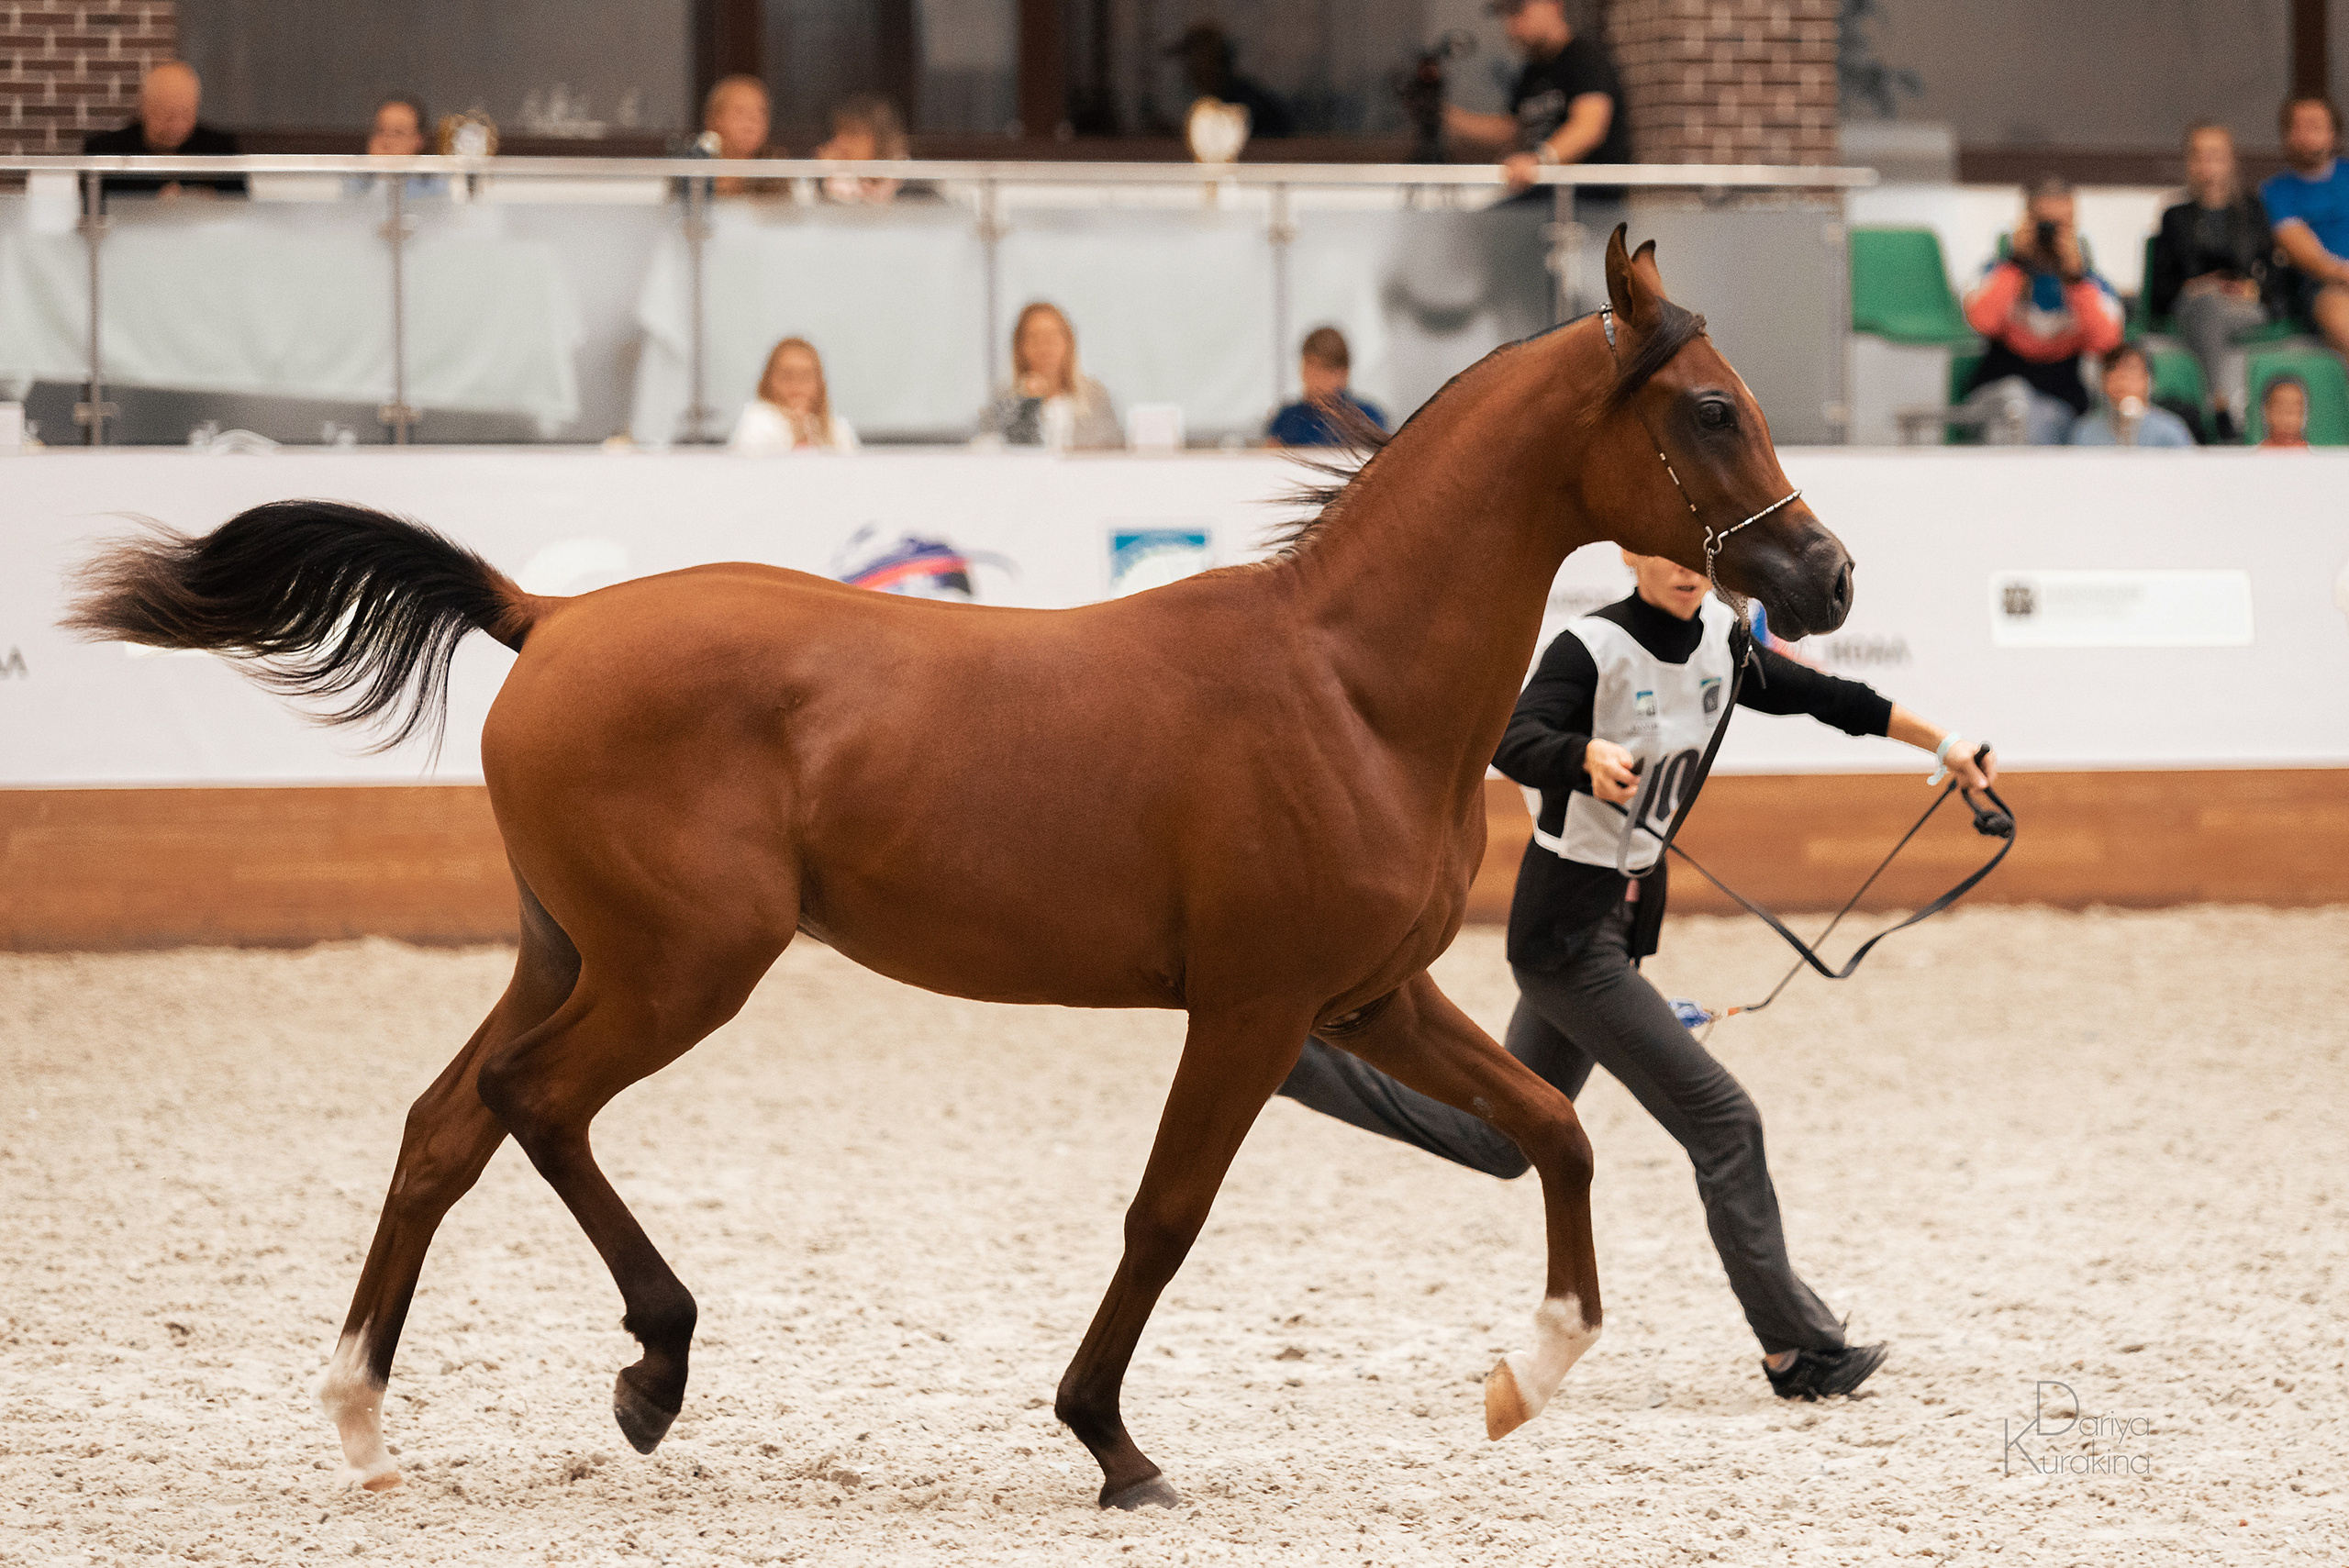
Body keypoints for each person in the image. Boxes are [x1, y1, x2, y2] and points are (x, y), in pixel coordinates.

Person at [1276, 550, 1997, 1402]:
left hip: (1615, 929)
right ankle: (1799, 1348)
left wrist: (1945, 744)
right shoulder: (1592, 646)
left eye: (1701, 560)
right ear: (1630, 554)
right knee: (1725, 1121)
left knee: (1502, 1139)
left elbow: (1826, 698)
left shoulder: (1723, 642)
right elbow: (1512, 736)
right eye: (1669, 556)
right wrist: (1580, 756)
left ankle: (1291, 1060)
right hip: (1566, 941)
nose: (1688, 571)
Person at [1956, 177, 2125, 445]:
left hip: (2061, 401)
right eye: (2044, 224)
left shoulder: (2090, 285)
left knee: (2050, 418)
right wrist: (2017, 262)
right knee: (2017, 401)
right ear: (2026, 222)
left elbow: (2107, 343)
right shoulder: (1996, 273)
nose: (2050, 234)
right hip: (1997, 395)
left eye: (2062, 226)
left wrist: (2075, 281)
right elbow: (1982, 322)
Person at [2148, 122, 2279, 439]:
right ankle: (2223, 409)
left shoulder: (2253, 211)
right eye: (2198, 155)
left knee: (2216, 311)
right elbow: (2159, 293)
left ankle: (2210, 408)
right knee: (2209, 310)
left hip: (2243, 310)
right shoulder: (2175, 217)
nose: (2206, 164)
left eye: (2215, 155)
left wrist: (2252, 289)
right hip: (2193, 307)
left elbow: (2275, 276)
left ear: (2231, 160)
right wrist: (2194, 286)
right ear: (2188, 162)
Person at [1442, 0, 1632, 197]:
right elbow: (1511, 130)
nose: (1511, 26)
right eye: (1505, 15)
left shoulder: (1585, 56)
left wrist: (1538, 161)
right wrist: (1446, 116)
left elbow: (1588, 128)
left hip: (1589, 204)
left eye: (1517, 10)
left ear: (1554, 5)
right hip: (1541, 202)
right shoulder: (1531, 72)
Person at [2260, 95, 2349, 360]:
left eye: (2315, 126)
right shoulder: (2277, 192)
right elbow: (2309, 256)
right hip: (2323, 288)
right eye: (2297, 127)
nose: (2305, 134)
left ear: (2333, 133)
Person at [82, 61, 246, 200]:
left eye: (186, 114)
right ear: (144, 108)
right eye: (168, 116)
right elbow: (97, 211)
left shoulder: (221, 150)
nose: (177, 125)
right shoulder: (105, 152)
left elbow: (239, 209)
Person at [978, 303, 1122, 450]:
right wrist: (1027, 403)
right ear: (1020, 347)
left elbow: (1116, 449)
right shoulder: (1005, 401)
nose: (1044, 347)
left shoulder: (1097, 396)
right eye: (1034, 338)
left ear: (1068, 342)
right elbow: (988, 448)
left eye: (1052, 336)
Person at [1167, 22, 1297, 139]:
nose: (1187, 70)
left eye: (1196, 60)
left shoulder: (1246, 102)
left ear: (1216, 62)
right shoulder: (1216, 100)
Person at [729, 338, 858, 454]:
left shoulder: (837, 430)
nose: (796, 385)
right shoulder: (756, 421)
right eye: (787, 376)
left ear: (819, 382)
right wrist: (798, 431)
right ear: (769, 381)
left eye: (806, 376)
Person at [1266, 327, 1389, 446]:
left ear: (1344, 374)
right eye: (1310, 366)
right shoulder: (1287, 419)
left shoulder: (1367, 418)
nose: (1315, 377)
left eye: (1325, 370)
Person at [2067, 343, 2196, 448]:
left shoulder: (2170, 430)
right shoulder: (2085, 431)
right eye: (2112, 369)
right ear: (2102, 381)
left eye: (2131, 369)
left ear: (2148, 380)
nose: (2122, 377)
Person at [812, 95, 913, 205]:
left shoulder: (912, 183)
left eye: (852, 133)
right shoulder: (832, 176)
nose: (840, 142)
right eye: (838, 132)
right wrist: (825, 173)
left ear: (880, 139)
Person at [700, 74, 787, 199]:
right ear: (715, 119)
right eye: (740, 112)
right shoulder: (695, 173)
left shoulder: (776, 174)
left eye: (761, 112)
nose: (752, 123)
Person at [343, 95, 444, 198]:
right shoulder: (349, 185)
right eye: (380, 130)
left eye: (398, 133)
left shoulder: (438, 189)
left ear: (418, 141)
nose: (386, 142)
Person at [2257, 373, 2311, 448]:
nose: (2287, 420)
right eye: (2280, 410)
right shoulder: (2255, 457)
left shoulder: (2316, 458)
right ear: (2266, 412)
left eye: (2294, 411)